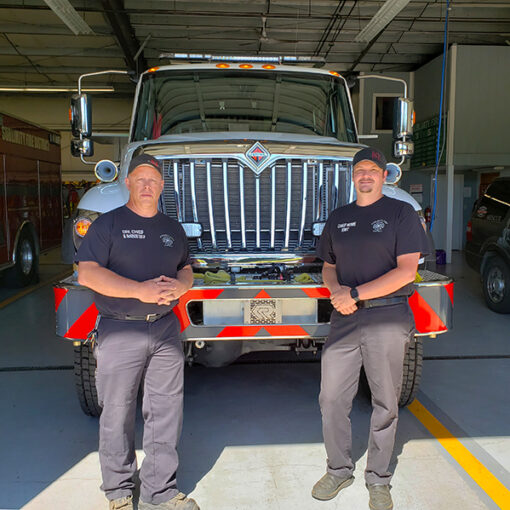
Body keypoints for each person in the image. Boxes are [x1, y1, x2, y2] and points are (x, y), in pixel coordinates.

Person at [76, 154, 198, 510]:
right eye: (140, 179)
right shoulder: (108, 225)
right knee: (116, 412)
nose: (147, 185)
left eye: (154, 181)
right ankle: (117, 492)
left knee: (165, 412)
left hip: (164, 330)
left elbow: (186, 268)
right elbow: (87, 274)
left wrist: (180, 286)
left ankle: (158, 494)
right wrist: (138, 291)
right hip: (119, 330)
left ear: (162, 187)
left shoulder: (172, 229)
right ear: (127, 184)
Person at [312, 147, 429, 510]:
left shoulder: (401, 214)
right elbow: (329, 265)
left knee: (385, 401)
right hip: (345, 317)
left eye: (372, 170)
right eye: (360, 169)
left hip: (387, 316)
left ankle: (378, 478)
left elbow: (406, 271)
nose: (365, 175)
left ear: (383, 176)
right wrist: (337, 293)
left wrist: (357, 293)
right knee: (331, 398)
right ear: (353, 176)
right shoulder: (339, 217)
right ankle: (339, 468)